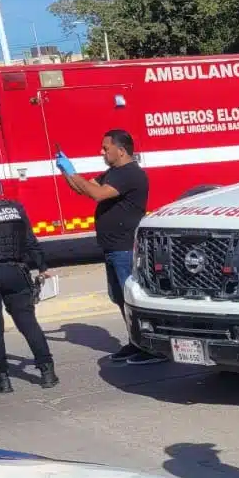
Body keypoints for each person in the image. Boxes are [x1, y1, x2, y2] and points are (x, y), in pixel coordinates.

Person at [55, 129, 158, 364]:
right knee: (120, 298)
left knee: (131, 298)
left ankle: (149, 347)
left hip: (124, 247)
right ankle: (135, 342)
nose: (101, 152)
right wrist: (66, 172)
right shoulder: (113, 172)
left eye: (105, 148)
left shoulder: (130, 174)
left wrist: (72, 171)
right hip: (111, 248)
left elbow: (97, 194)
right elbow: (83, 189)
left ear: (120, 151)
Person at [0, 166, 57, 394]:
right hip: (17, 272)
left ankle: (2, 379)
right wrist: (42, 266)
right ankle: (47, 372)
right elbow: (30, 240)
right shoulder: (15, 208)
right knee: (28, 323)